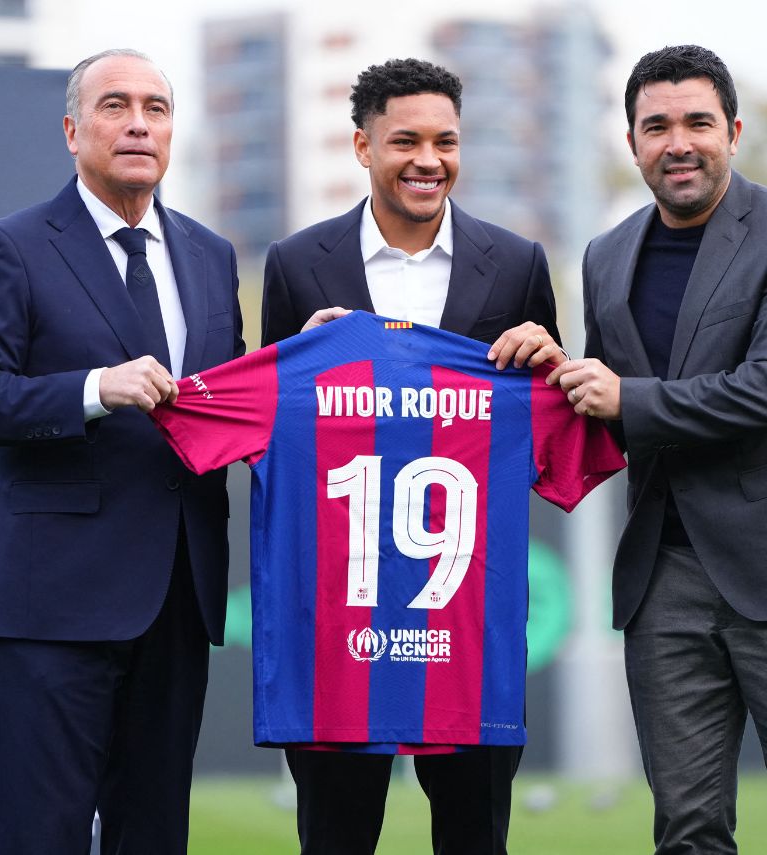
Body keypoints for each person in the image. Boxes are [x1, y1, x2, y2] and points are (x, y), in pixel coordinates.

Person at [548, 44, 767, 854]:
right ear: (632, 143)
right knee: (688, 832)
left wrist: (630, 398)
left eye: (697, 122)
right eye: (656, 126)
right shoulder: (606, 255)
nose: (678, 142)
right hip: (666, 581)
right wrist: (546, 366)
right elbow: (607, 409)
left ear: (733, 131)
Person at [0, 48, 242, 854]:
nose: (139, 122)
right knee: (47, 836)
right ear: (73, 131)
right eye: (115, 106)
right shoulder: (10, 246)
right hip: (54, 603)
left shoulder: (211, 256)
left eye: (156, 107)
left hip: (178, 596)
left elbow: (227, 403)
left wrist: (312, 362)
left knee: (153, 836)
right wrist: (93, 388)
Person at [261, 58, 564, 855]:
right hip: (340, 621)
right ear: (362, 146)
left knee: (474, 838)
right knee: (334, 837)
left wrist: (549, 357)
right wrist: (301, 352)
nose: (429, 159)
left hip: (463, 624)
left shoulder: (519, 263)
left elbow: (545, 423)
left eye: (446, 141)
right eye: (406, 141)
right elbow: (274, 425)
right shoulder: (297, 264)